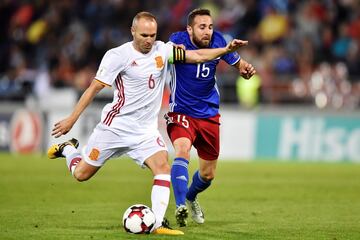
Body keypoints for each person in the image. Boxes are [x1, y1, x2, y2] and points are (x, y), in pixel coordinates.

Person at [47, 11, 248, 235]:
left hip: (144, 131)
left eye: (152, 35)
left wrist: (226, 50)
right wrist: (71, 119)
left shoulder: (164, 50)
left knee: (162, 167)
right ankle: (69, 150)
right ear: (133, 32)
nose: (148, 40)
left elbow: (198, 56)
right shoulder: (117, 55)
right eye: (144, 35)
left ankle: (158, 223)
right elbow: (93, 88)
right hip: (115, 127)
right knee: (81, 174)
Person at [165, 8, 256, 227]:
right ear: (190, 29)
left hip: (208, 114)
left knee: (207, 175)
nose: (207, 31)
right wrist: (223, 50)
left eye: (210, 26)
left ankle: (190, 196)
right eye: (202, 27)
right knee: (182, 151)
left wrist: (245, 69)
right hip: (181, 111)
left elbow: (239, 64)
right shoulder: (177, 40)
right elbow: (179, 53)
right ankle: (180, 206)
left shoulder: (219, 40)